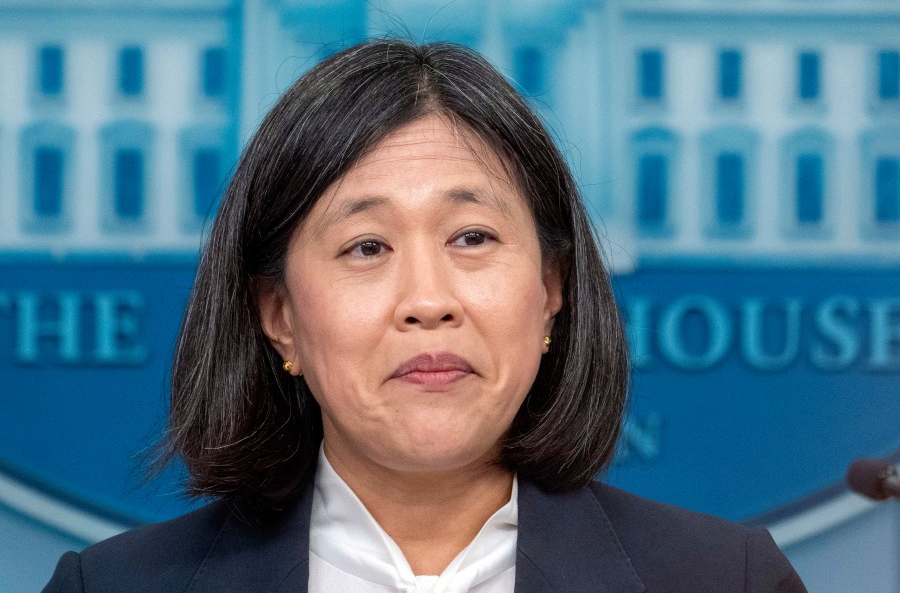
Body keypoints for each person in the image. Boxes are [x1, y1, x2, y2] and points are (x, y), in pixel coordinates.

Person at [43, 39, 806, 593]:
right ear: (279, 318)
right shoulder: (112, 587)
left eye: (471, 238)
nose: (428, 301)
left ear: (551, 289)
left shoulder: (720, 579)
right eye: (367, 246)